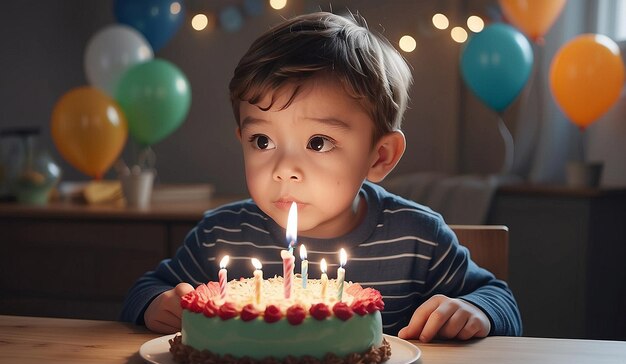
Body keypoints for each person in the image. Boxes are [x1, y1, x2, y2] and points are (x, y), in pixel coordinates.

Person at [121, 11, 522, 342]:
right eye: (262, 141)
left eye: (318, 142)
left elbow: (500, 301)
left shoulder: (417, 238)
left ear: (379, 156)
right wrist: (157, 304)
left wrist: (474, 310)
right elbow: (143, 291)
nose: (284, 170)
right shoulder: (221, 235)